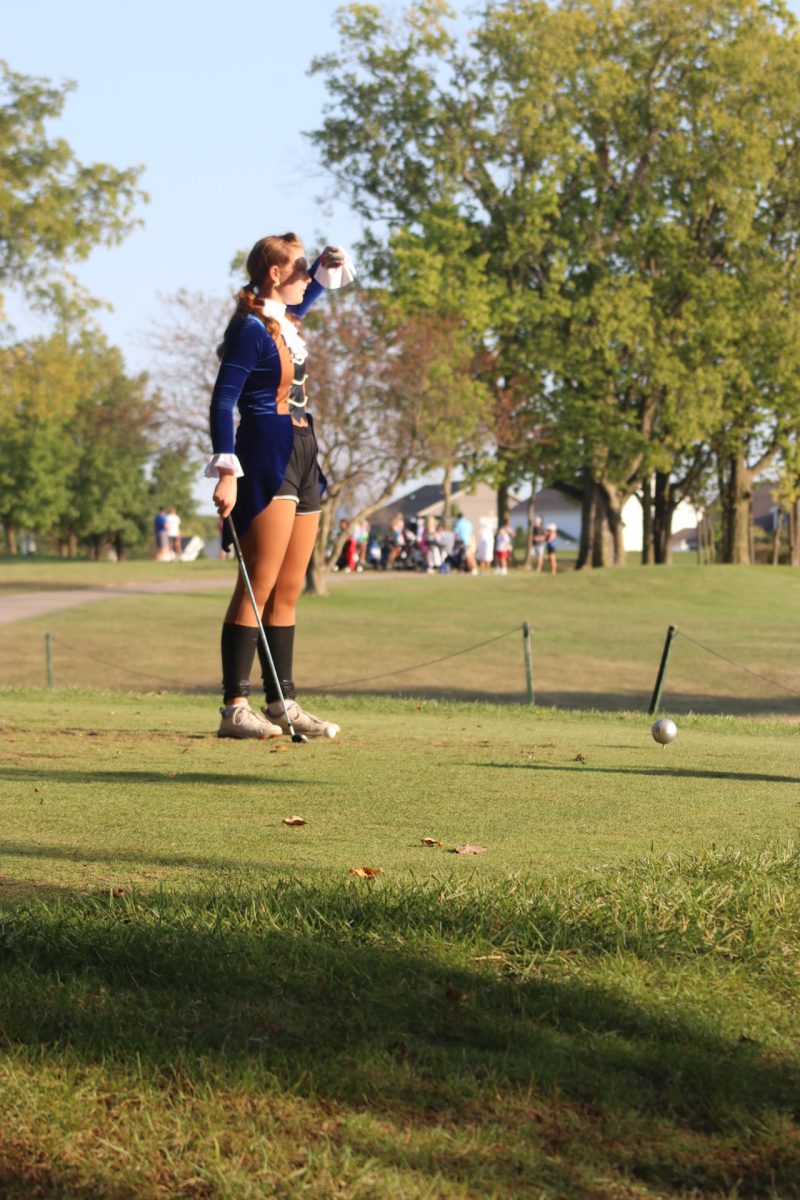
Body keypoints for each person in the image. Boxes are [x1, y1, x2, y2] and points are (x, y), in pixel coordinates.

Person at [206, 231, 355, 739]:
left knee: (289, 589)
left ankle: (282, 704)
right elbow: (222, 399)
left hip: (303, 449)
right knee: (259, 582)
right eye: (295, 269)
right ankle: (234, 708)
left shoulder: (283, 321)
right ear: (274, 273)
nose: (303, 278)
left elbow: (307, 291)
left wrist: (321, 266)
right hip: (264, 453)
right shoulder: (250, 329)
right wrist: (227, 470)